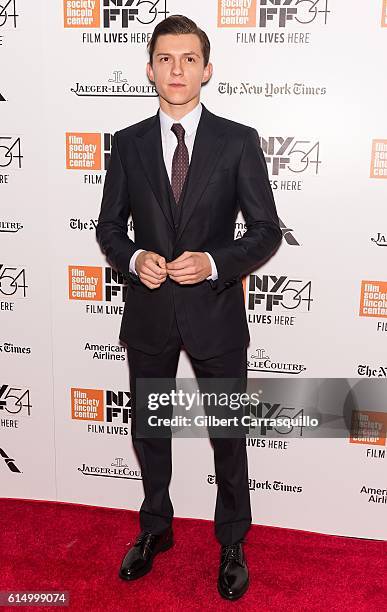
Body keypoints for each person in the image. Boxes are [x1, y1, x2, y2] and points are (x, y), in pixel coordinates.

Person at [96, 14, 282, 601]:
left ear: (207, 69)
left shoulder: (237, 140)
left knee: (227, 434)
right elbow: (107, 228)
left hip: (216, 312)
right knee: (151, 431)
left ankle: (232, 540)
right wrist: (132, 259)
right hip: (149, 312)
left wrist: (214, 262)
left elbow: (265, 230)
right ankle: (155, 529)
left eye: (189, 59)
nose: (177, 70)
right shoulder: (126, 143)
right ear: (150, 69)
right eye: (165, 58)